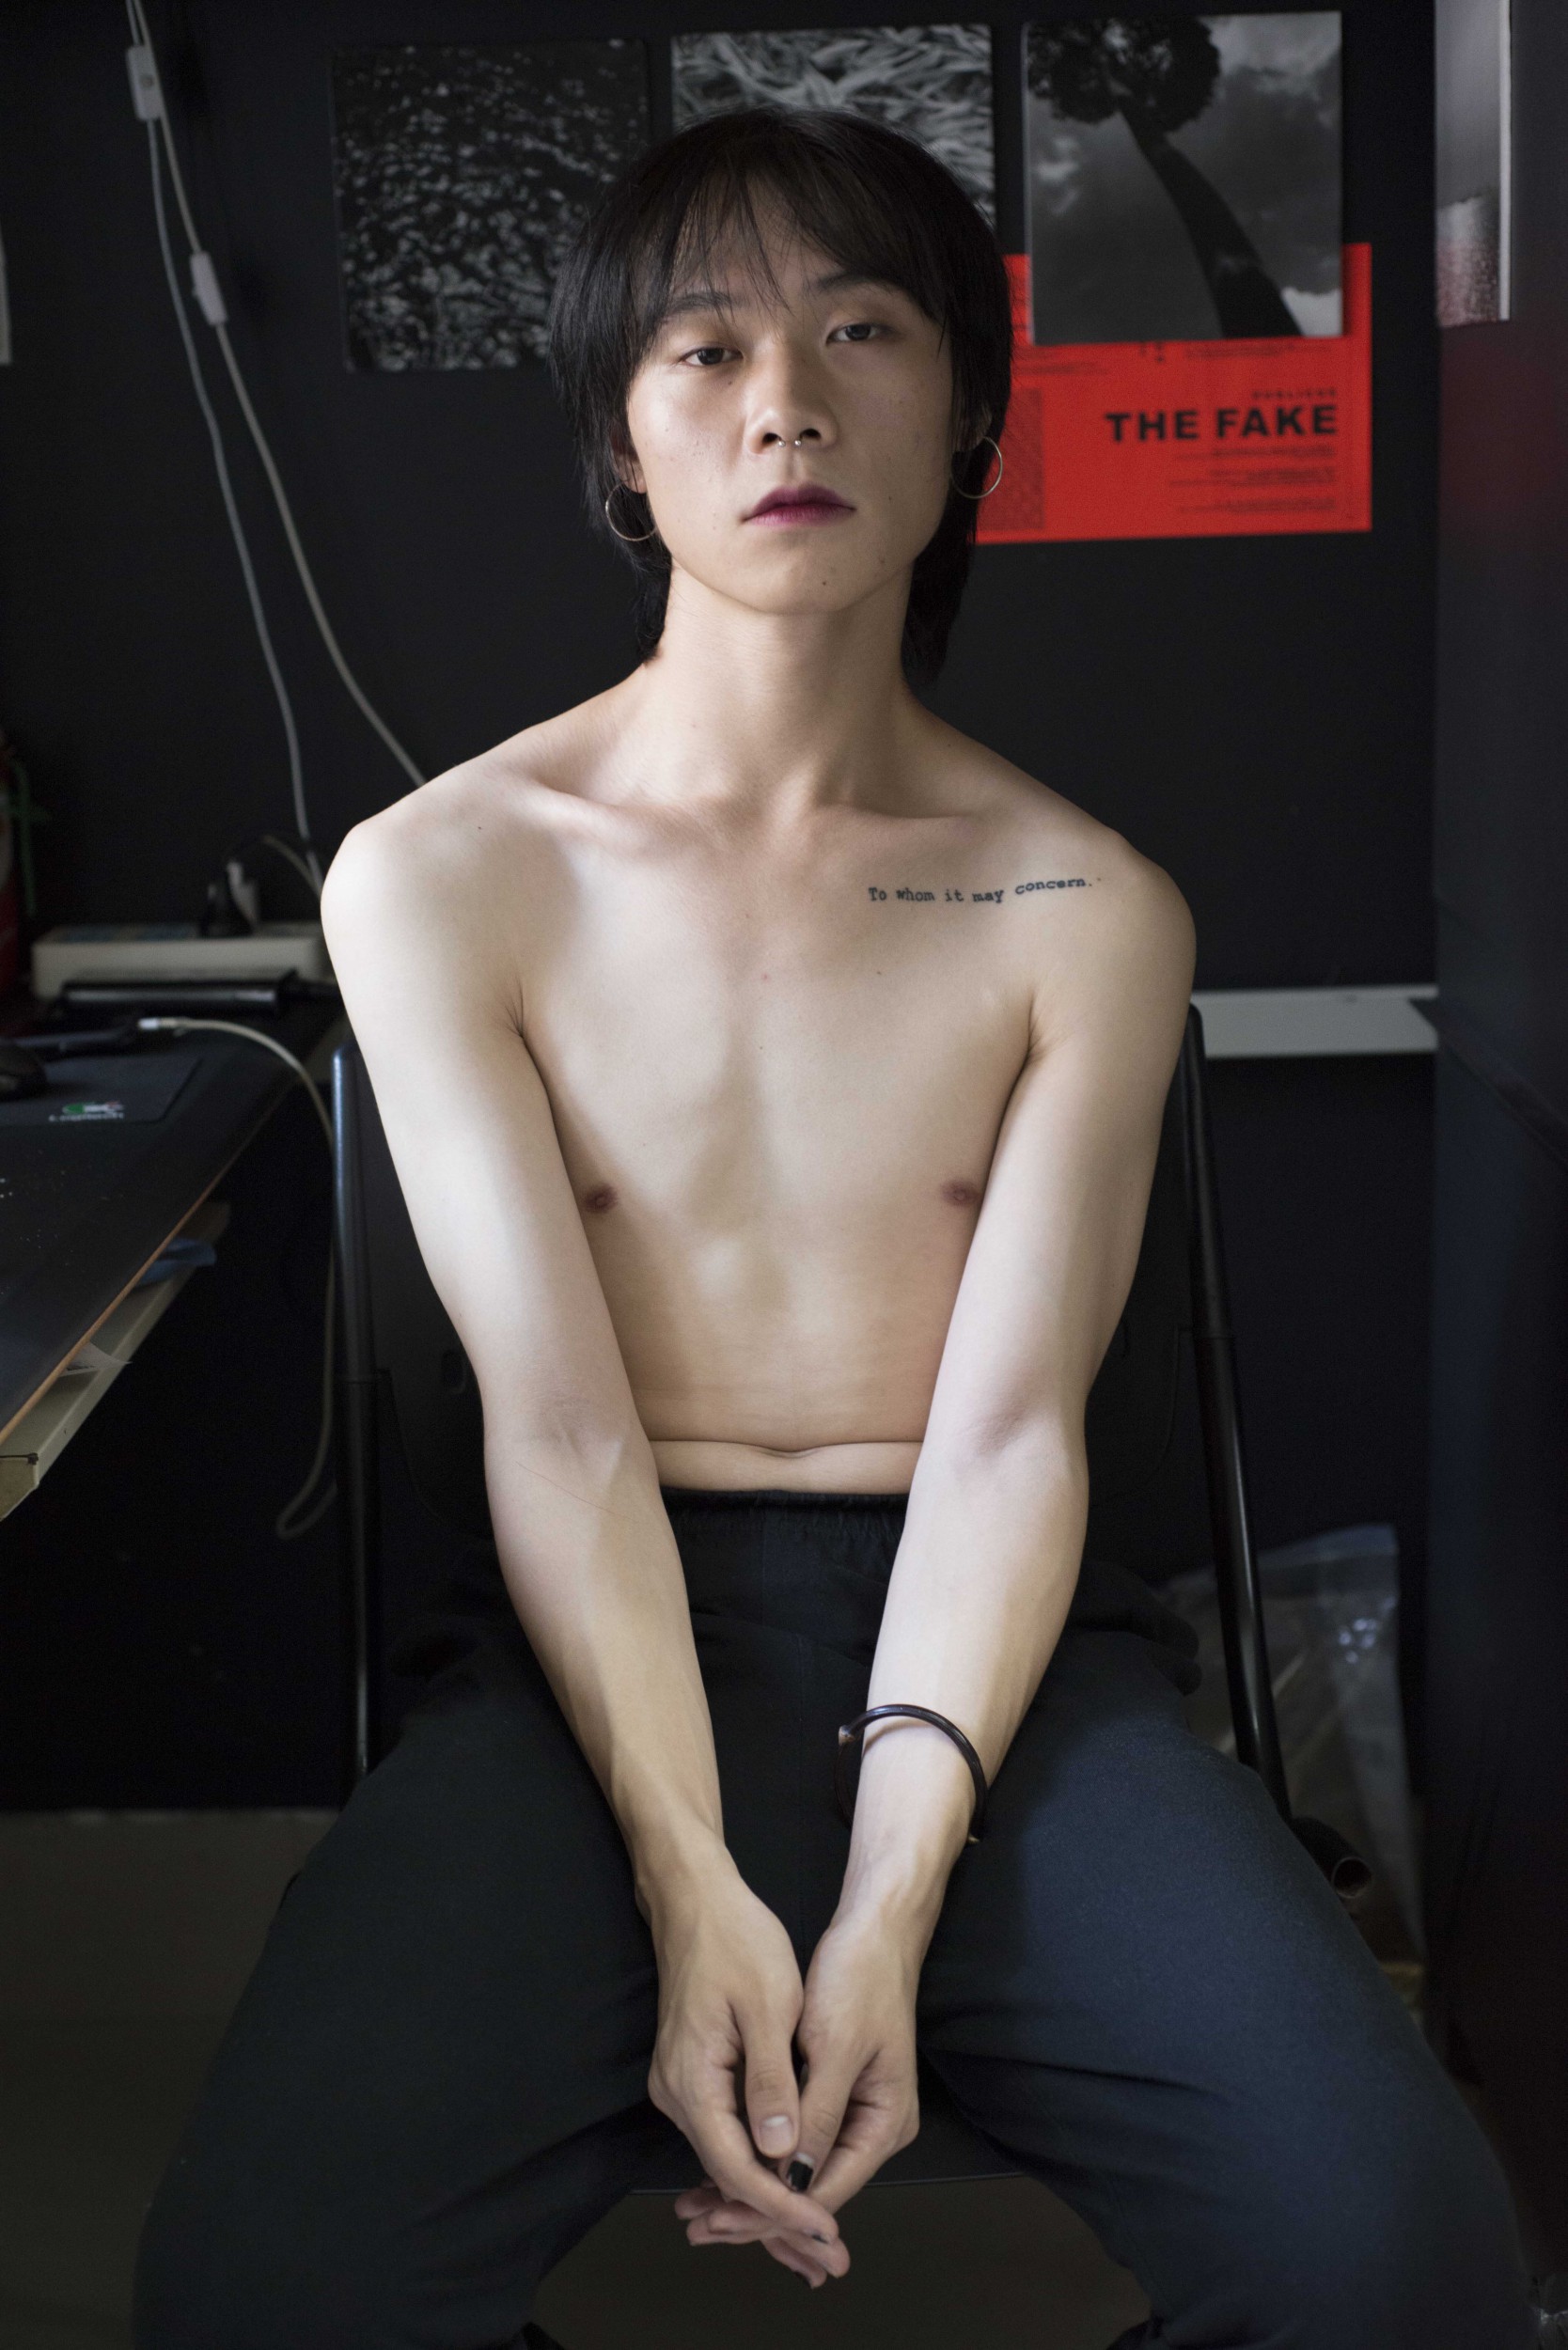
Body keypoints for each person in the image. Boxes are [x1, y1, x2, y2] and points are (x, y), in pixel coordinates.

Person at [134, 107, 1532, 2349]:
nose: (784, 397)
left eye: (860, 329)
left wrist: (884, 1899)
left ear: (970, 413)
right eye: (705, 348)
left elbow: (1011, 1443)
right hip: (590, 1640)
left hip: (1001, 1657)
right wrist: (688, 1874)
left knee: (1406, 2261)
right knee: (261, 2290)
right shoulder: (443, 873)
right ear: (623, 444)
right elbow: (559, 1429)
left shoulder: (1088, 905)